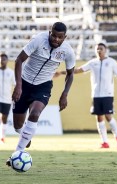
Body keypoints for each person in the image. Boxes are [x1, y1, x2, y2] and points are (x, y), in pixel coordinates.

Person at [6, 22, 76, 166]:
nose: (56, 39)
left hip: (43, 86)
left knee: (35, 114)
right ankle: (26, 136)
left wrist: (65, 94)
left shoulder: (67, 51)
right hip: (24, 83)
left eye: (60, 37)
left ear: (65, 37)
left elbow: (70, 74)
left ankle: (17, 153)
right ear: (50, 33)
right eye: (54, 36)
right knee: (18, 126)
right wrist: (18, 85)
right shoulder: (38, 39)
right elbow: (19, 60)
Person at [56, 42, 117, 148]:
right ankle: (105, 142)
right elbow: (78, 70)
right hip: (96, 95)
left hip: (108, 94)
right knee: (99, 118)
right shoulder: (93, 63)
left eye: (101, 49)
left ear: (105, 50)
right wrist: (62, 72)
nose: (99, 51)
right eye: (97, 49)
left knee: (108, 116)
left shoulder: (112, 62)